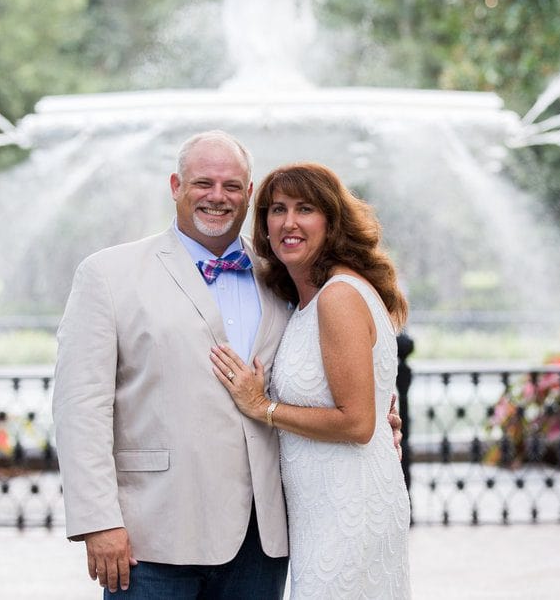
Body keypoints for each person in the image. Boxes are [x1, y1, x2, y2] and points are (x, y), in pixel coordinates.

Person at [52, 131, 401, 598]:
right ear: (176, 185)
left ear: (249, 194)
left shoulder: (281, 276)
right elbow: (80, 409)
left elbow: (326, 380)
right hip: (154, 534)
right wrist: (98, 522)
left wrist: (377, 422)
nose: (218, 197)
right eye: (203, 183)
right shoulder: (108, 275)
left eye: (232, 186)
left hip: (263, 540)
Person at [210, 162, 412, 599]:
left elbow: (357, 424)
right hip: (318, 510)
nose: (289, 222)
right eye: (277, 210)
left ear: (331, 221)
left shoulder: (338, 296)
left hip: (349, 506)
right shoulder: (304, 300)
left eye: (305, 209)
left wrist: (261, 406)